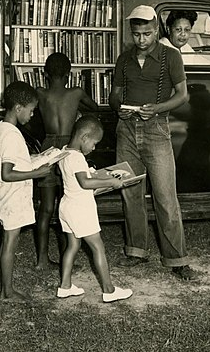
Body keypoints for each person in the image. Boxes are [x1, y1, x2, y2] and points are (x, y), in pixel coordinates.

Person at [109, 4, 199, 281]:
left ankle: (177, 259)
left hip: (156, 130)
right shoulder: (124, 60)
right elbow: (115, 95)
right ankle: (136, 251)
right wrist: (118, 108)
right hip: (126, 130)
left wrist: (158, 108)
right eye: (137, 34)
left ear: (156, 30)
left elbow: (182, 95)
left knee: (165, 197)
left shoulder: (171, 57)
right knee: (131, 193)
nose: (142, 40)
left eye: (147, 34)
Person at [57, 115, 133, 303]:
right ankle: (109, 290)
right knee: (98, 247)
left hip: (67, 206)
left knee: (72, 246)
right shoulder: (77, 158)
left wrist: (102, 181)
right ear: (84, 137)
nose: (94, 147)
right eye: (94, 143)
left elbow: (80, 182)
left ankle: (65, 286)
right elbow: (84, 182)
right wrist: (111, 180)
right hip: (81, 209)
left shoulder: (65, 152)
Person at [34, 52, 99, 270]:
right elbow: (95, 108)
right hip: (69, 147)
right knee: (70, 201)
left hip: (48, 148)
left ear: (45, 74)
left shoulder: (40, 93)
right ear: (69, 74)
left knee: (46, 208)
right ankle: (66, 257)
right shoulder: (76, 92)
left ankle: (42, 260)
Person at [0, 81, 52, 302]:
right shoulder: (11, 134)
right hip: (12, 195)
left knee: (10, 241)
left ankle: (7, 290)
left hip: (9, 194)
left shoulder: (2, 129)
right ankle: (7, 292)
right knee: (10, 243)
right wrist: (37, 173)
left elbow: (13, 163)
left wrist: (35, 161)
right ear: (18, 108)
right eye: (31, 110)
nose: (32, 115)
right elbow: (7, 173)